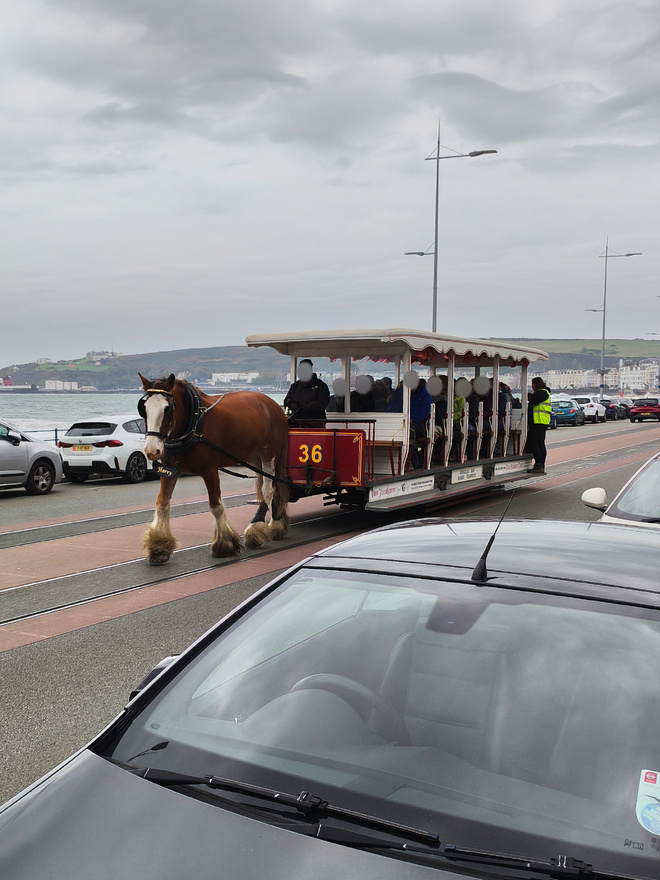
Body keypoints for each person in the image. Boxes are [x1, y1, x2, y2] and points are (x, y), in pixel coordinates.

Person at [283, 359, 330, 427]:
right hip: (296, 423)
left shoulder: (321, 386)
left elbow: (323, 403)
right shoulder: (295, 386)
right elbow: (286, 401)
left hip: (315, 424)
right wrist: (293, 406)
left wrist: (306, 407)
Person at [525, 376, 551, 474]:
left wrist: (526, 395)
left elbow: (535, 400)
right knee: (540, 443)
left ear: (536, 384)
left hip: (539, 421)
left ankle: (539, 464)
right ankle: (540, 465)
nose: (532, 387)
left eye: (532, 384)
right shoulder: (544, 393)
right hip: (541, 422)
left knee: (533, 443)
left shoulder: (543, 393)